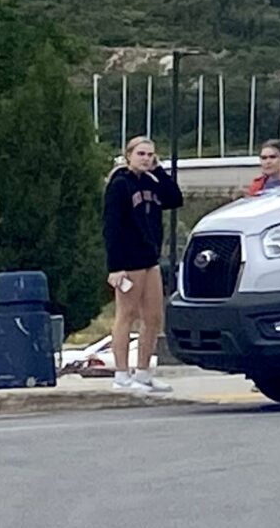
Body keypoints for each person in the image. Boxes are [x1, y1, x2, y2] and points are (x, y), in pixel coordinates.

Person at [101, 135, 182, 394]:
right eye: (141, 154)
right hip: (129, 258)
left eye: (150, 154)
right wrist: (115, 266)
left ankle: (144, 371)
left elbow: (174, 198)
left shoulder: (152, 182)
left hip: (149, 257)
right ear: (129, 156)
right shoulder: (120, 185)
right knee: (127, 314)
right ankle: (122, 374)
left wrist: (159, 170)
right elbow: (111, 227)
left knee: (153, 316)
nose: (146, 159)